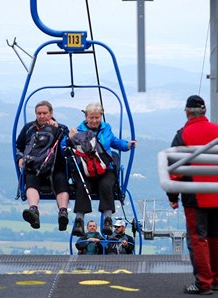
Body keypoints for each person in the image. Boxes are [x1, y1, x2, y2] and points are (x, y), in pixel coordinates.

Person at [167, 95, 218, 295]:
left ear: (187, 112)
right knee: (216, 237)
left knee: (198, 238)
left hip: (195, 196)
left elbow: (174, 169)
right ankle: (215, 278)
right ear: (204, 111)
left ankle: (203, 283)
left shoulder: (183, 135)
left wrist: (172, 196)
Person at [68, 102, 136, 237]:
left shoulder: (106, 129)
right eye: (91, 118)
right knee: (82, 186)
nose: (94, 121)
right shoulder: (78, 131)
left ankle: (107, 220)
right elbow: (66, 145)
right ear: (86, 117)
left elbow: (115, 142)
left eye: (97, 118)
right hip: (85, 169)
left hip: (105, 168)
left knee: (106, 185)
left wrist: (127, 145)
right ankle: (79, 221)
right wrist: (70, 138)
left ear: (101, 116)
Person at [16, 100, 70, 231]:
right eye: (39, 113)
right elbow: (18, 146)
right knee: (30, 179)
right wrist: (20, 158)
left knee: (60, 179)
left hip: (56, 166)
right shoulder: (29, 128)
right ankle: (33, 210)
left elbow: (68, 144)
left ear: (51, 113)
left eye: (45, 113)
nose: (41, 116)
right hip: (35, 167)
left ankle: (63, 212)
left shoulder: (61, 128)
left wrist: (57, 128)